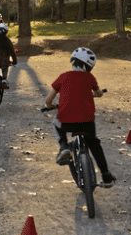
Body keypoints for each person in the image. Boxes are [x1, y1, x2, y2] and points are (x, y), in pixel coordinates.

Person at [45, 47, 115, 187]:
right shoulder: (90, 78)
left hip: (66, 121)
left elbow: (48, 100)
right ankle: (106, 175)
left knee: (55, 123)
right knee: (94, 144)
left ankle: (64, 146)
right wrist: (94, 94)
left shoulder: (63, 76)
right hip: (87, 122)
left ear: (73, 61)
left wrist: (51, 106)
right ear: (89, 66)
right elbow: (99, 93)